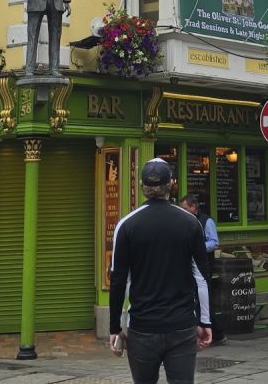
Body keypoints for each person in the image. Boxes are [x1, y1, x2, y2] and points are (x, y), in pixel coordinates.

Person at [108, 159, 212, 384]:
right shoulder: (191, 223)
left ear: (142, 187)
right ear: (171, 184)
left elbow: (118, 280)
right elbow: (202, 277)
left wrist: (115, 327)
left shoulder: (126, 225)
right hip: (182, 325)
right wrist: (205, 322)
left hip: (142, 327)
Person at [179, 192, 223, 345]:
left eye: (185, 208)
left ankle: (216, 332)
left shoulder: (206, 221)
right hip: (189, 266)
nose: (183, 211)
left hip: (204, 266)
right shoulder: (184, 221)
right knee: (195, 299)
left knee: (204, 300)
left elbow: (214, 242)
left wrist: (197, 248)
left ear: (194, 207)